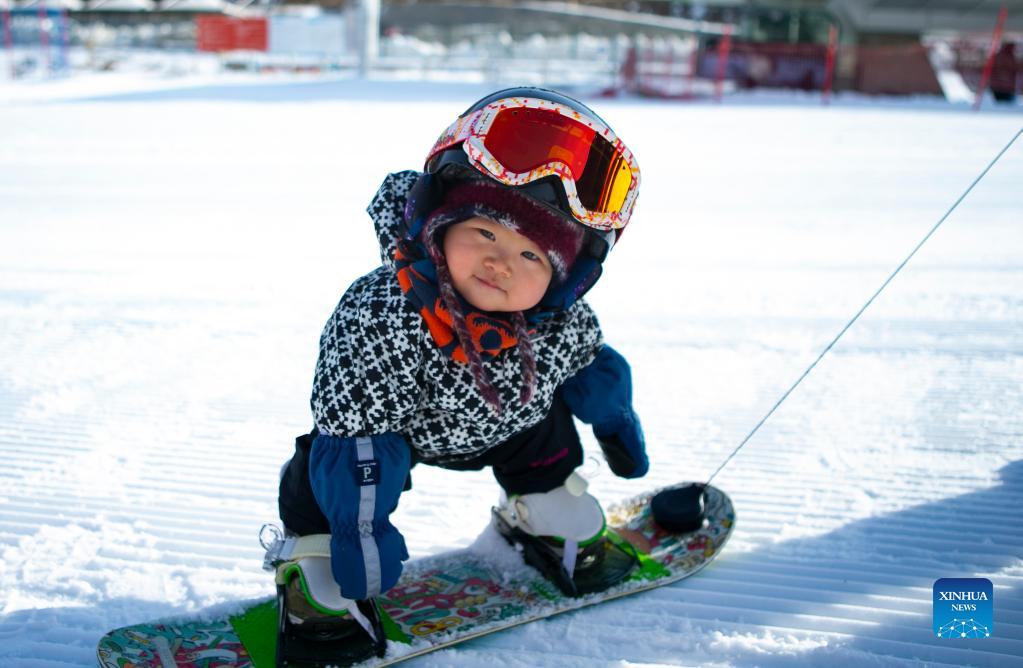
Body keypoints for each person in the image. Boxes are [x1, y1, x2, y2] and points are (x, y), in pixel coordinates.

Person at [272, 87, 648, 659]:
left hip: (511, 429)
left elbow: (591, 370)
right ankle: (318, 559)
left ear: (565, 280)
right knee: (327, 475)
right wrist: (359, 531)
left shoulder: (557, 322)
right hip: (394, 440)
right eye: (485, 233)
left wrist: (615, 420)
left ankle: (541, 508)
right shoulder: (384, 313)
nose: (501, 262)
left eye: (531, 256)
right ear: (437, 224)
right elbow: (359, 440)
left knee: (547, 428)